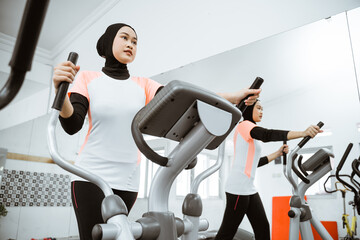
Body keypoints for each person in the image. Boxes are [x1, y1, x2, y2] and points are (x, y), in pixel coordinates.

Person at [52, 23, 261, 239]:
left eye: (134, 41)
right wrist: (61, 90)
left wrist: (233, 96)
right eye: (124, 38)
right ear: (108, 42)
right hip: (90, 176)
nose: (130, 44)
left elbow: (190, 97)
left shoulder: (144, 85)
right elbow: (72, 124)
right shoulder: (88, 78)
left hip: (128, 179)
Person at [215, 100, 322, 240]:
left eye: (262, 109)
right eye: (258, 108)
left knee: (263, 228)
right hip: (238, 189)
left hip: (249, 189)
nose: (261, 112)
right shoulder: (244, 125)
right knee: (227, 233)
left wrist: (277, 154)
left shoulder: (251, 132)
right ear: (249, 109)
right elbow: (267, 134)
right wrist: (303, 133)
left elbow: (255, 162)